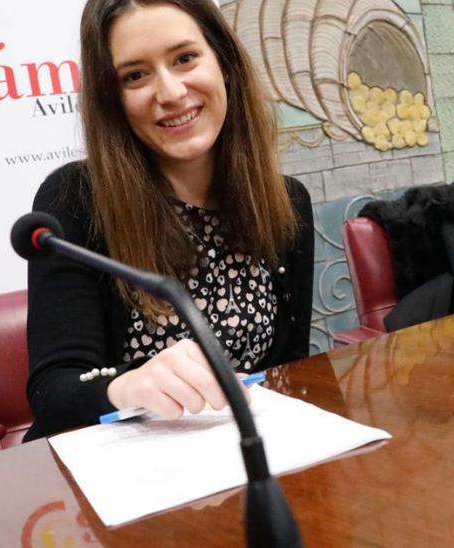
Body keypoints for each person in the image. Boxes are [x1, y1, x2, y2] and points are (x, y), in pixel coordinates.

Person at [22, 0, 314, 440]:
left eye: (185, 58)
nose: (172, 92)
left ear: (225, 63)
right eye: (135, 75)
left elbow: (287, 370)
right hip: (125, 477)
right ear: (112, 99)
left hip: (247, 454)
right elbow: (53, 394)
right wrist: (126, 386)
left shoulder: (287, 201)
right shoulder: (74, 199)